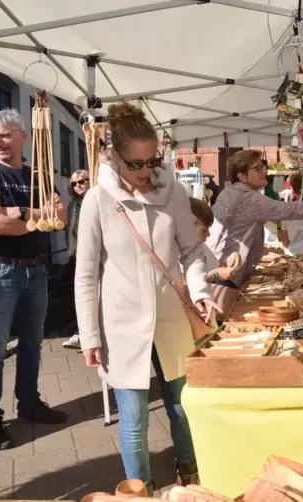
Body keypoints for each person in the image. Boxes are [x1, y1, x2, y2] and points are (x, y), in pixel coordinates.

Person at [75, 102, 216, 491]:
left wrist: (201, 290)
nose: (143, 171)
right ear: (113, 155)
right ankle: (140, 493)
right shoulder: (97, 200)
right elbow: (86, 274)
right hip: (121, 324)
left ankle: (192, 478)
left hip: (171, 318)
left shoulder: (173, 193)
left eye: (150, 161)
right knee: (134, 421)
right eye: (134, 163)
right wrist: (89, 335)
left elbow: (191, 251)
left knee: (184, 408)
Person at [0, 109, 68, 450]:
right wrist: (36, 215)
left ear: (23, 135)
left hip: (36, 269)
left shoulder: (37, 175)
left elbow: (61, 218)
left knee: (31, 344)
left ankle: (28, 404)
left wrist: (17, 214)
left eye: (5, 135)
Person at [204, 150, 303, 295]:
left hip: (216, 265)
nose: (264, 171)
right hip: (227, 272)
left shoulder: (229, 192)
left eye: (263, 166)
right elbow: (290, 210)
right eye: (257, 168)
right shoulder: (250, 199)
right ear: (242, 176)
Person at [62, 169, 90, 350]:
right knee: (79, 295)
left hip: (95, 254)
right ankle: (81, 333)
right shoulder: (72, 205)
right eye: (74, 183)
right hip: (77, 255)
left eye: (82, 181)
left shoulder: (97, 200)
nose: (78, 185)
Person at [188, 197, 240, 283]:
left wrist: (231, 261)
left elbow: (215, 266)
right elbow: (186, 285)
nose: (208, 235)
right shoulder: (176, 252)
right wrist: (214, 274)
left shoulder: (199, 246)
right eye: (204, 230)